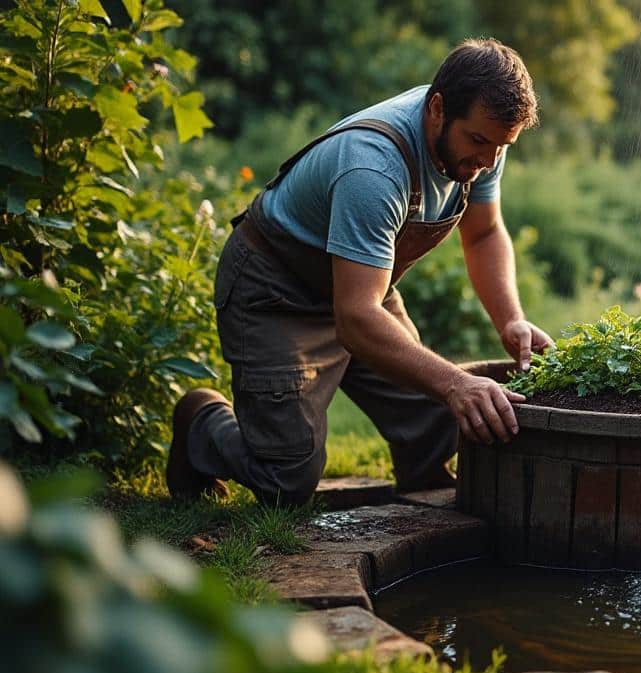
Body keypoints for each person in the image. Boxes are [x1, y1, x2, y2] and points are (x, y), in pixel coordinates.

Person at [166, 38, 552, 505]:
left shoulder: (482, 135)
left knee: (442, 419)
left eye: (501, 146)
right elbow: (355, 319)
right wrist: (455, 381)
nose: (488, 161)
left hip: (361, 284)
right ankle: (201, 419)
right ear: (437, 109)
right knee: (286, 478)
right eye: (479, 142)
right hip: (274, 289)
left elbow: (485, 234)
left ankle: (424, 485)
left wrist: (509, 318)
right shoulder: (374, 168)